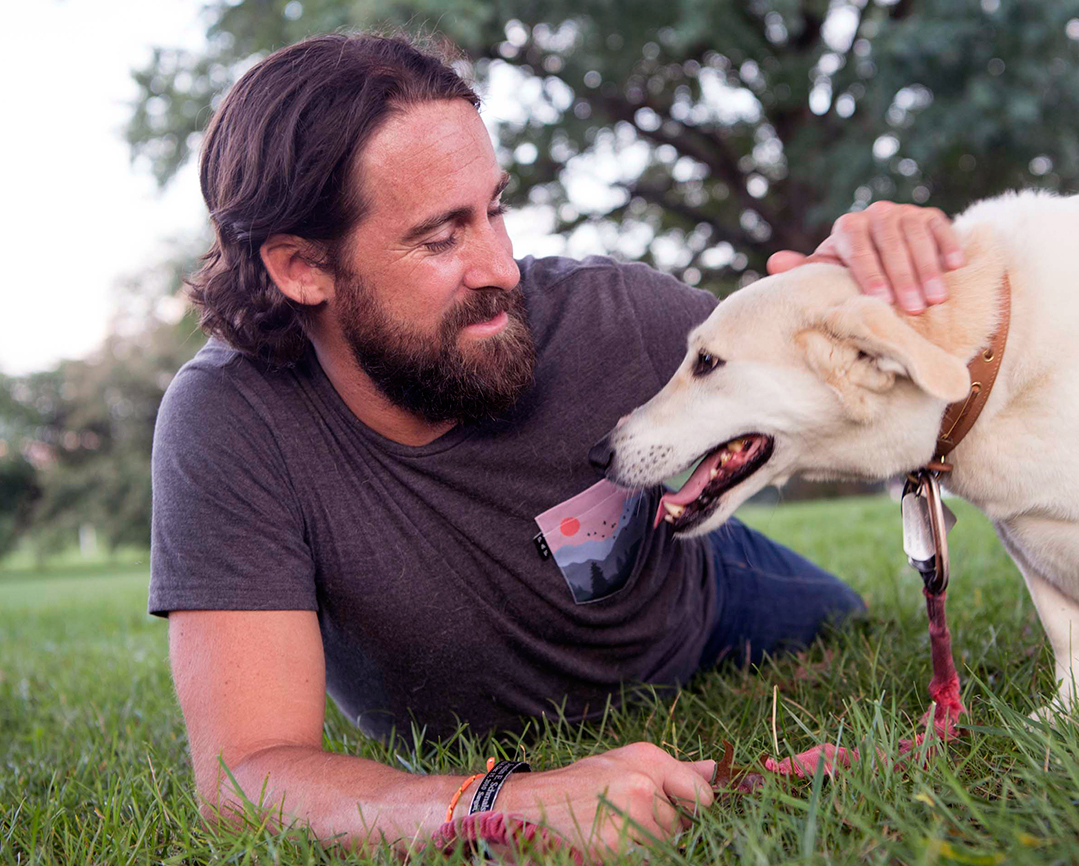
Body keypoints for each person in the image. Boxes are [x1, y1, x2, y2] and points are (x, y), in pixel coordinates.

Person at [148, 32, 965, 859]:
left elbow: (834, 363)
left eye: (494, 209)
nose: (501, 268)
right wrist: (504, 804)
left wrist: (882, 274)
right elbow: (246, 778)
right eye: (440, 238)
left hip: (697, 598)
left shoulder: (616, 315)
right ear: (300, 267)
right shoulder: (230, 423)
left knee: (842, 620)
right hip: (465, 724)